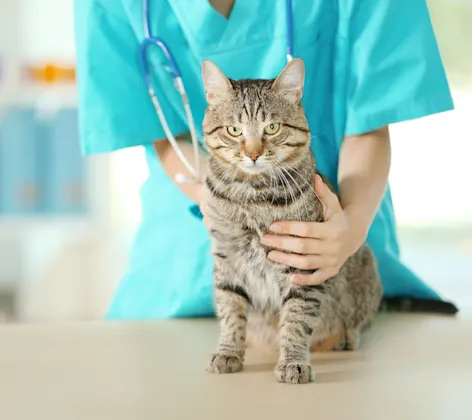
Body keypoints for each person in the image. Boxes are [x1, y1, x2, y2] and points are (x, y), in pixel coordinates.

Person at [74, 0, 457, 319]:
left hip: (331, 263)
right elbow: (161, 127)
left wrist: (350, 228)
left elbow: (370, 114)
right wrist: (216, 194)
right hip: (182, 275)